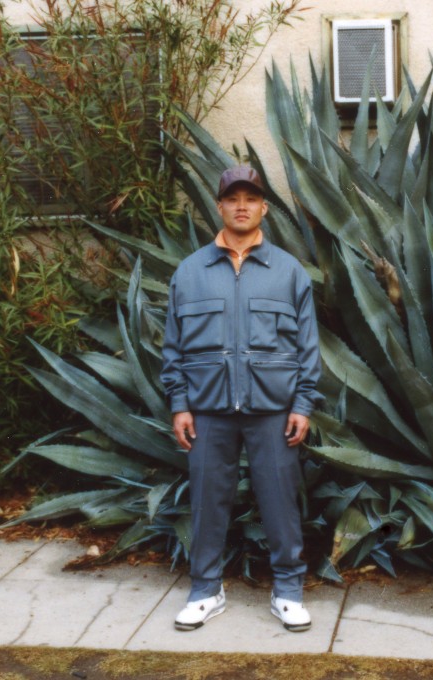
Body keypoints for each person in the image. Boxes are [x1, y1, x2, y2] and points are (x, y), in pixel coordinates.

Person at [161, 165, 322, 632]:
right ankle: (205, 589)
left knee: (279, 502)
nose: (242, 206)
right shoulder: (190, 272)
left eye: (251, 198)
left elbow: (307, 347)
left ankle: (288, 589)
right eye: (232, 198)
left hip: (273, 411)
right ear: (219, 206)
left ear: (264, 208)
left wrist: (302, 404)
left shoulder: (289, 272)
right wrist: (179, 404)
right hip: (208, 410)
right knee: (208, 501)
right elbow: (173, 346)